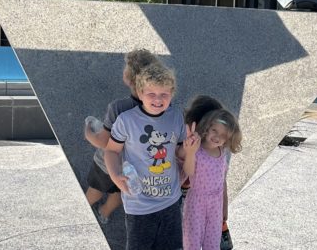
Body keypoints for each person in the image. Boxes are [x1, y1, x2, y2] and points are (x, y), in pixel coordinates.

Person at [104, 61, 187, 250]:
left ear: (172, 94)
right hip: (139, 205)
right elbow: (111, 150)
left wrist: (189, 149)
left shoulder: (176, 117)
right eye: (151, 94)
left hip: (171, 201)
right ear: (140, 94)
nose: (158, 99)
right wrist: (116, 176)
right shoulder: (126, 120)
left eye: (164, 94)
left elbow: (179, 151)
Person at [84, 49, 159, 224]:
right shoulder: (160, 108)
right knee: (119, 191)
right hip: (134, 168)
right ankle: (104, 212)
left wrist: (88, 132)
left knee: (96, 188)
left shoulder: (118, 108)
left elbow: (103, 141)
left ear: (129, 78)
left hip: (107, 165)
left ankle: (83, 211)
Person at [180, 109, 242, 250]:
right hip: (197, 202)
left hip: (216, 203)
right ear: (207, 128)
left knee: (213, 243)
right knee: (192, 242)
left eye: (223, 135)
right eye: (215, 130)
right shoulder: (197, 150)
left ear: (228, 138)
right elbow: (188, 172)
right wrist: (190, 153)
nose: (217, 137)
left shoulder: (222, 152)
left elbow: (222, 180)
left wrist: (224, 205)